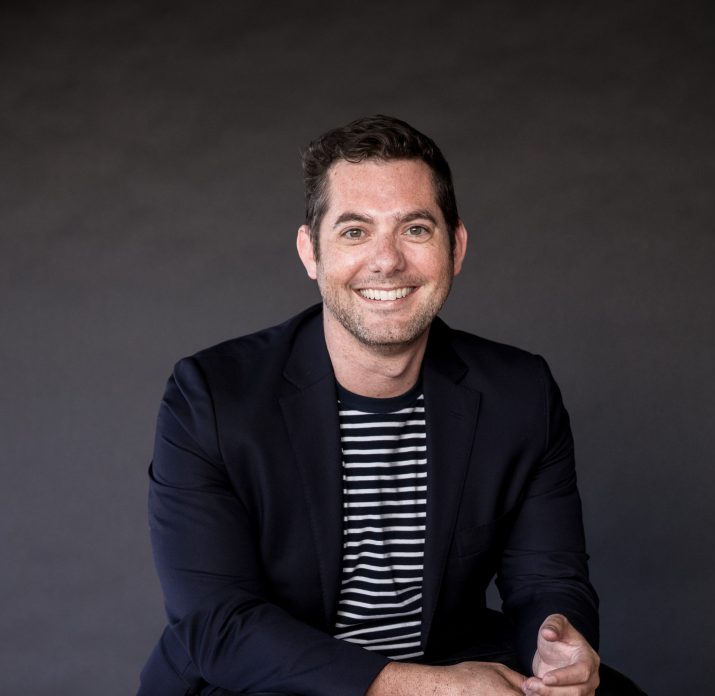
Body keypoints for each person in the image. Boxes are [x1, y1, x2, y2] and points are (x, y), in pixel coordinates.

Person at [139, 115, 644, 695]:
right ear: (310, 251)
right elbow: (219, 626)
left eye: (415, 229)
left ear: (455, 247)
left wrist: (559, 646)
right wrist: (428, 690)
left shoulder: (519, 392)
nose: (387, 261)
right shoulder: (211, 396)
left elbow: (546, 578)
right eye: (355, 231)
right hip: (262, 682)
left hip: (453, 662)